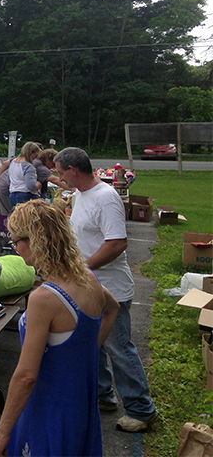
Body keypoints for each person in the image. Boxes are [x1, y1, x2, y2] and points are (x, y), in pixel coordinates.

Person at [0, 200, 119, 457]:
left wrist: (2, 432)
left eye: (16, 242)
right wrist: (82, 354)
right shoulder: (87, 277)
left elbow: (26, 376)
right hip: (79, 402)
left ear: (34, 241)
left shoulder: (45, 298)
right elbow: (112, 309)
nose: (16, 249)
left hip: (48, 408)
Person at [54, 147, 158, 433]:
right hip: (89, 286)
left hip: (111, 289)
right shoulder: (80, 195)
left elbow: (117, 243)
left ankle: (142, 409)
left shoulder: (106, 197)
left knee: (119, 348)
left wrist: (82, 268)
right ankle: (103, 396)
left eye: (61, 172)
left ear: (74, 170)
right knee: (93, 344)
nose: (59, 178)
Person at [8, 142, 41, 208]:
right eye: (36, 155)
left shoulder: (13, 163)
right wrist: (38, 185)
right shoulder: (28, 166)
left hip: (13, 194)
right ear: (32, 153)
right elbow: (31, 186)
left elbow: (9, 180)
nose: (35, 158)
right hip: (26, 195)